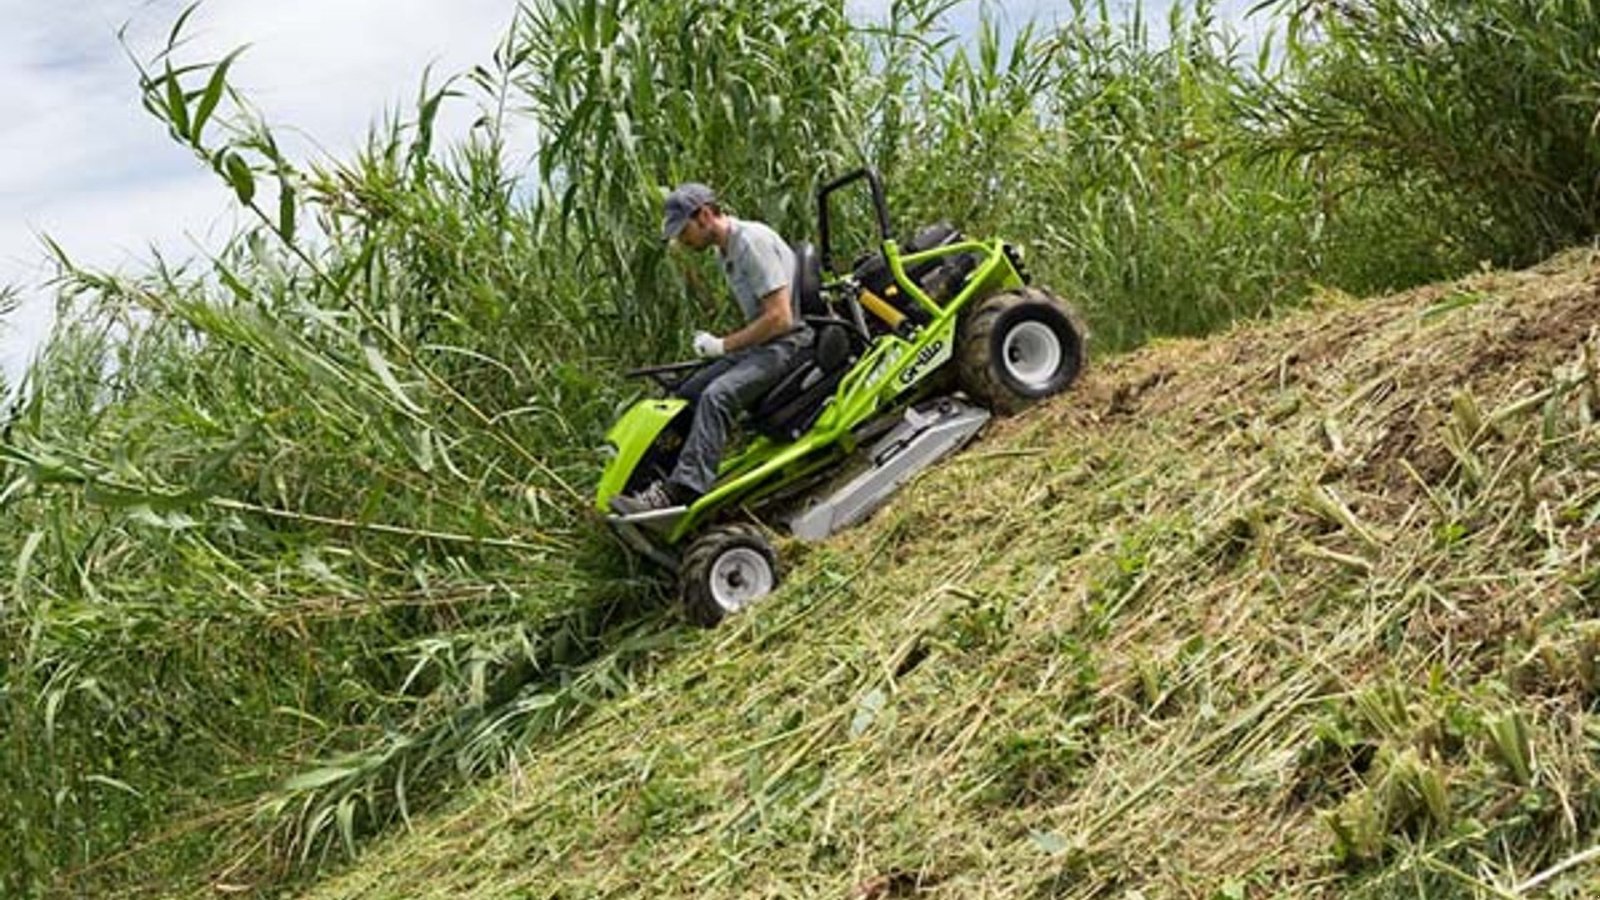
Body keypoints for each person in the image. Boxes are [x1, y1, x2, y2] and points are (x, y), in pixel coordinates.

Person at [610, 182, 813, 515]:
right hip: (766, 344)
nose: (681, 241)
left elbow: (780, 319)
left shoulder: (751, 242)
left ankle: (683, 492)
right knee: (686, 391)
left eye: (683, 231)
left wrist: (723, 345)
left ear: (704, 215)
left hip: (789, 344)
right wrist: (726, 348)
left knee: (717, 396)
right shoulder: (726, 252)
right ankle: (658, 481)